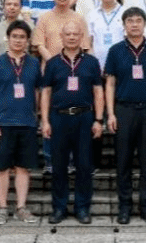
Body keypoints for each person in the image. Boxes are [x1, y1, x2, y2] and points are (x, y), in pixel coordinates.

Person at [105, 7, 146, 223]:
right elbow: (110, 83)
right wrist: (110, 113)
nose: (134, 24)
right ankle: (124, 207)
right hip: (124, 110)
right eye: (130, 21)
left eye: (138, 20)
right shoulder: (115, 51)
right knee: (123, 161)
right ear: (124, 25)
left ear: (144, 23)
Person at [40, 20, 104, 224]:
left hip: (84, 118)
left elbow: (98, 91)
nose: (72, 37)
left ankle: (82, 208)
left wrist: (98, 120)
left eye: (76, 34)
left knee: (84, 165)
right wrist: (45, 121)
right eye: (68, 34)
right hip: (59, 118)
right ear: (61, 37)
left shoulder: (91, 62)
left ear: (81, 37)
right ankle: (59, 208)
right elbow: (46, 92)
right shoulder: (53, 63)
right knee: (58, 166)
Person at [0, 20, 42, 226]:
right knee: (1, 168)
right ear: (7, 38)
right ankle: (2, 208)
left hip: (27, 123)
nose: (18, 40)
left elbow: (38, 92)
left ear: (28, 40)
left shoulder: (34, 63)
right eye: (14, 36)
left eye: (22, 37)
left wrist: (37, 115)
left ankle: (21, 207)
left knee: (23, 168)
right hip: (3, 123)